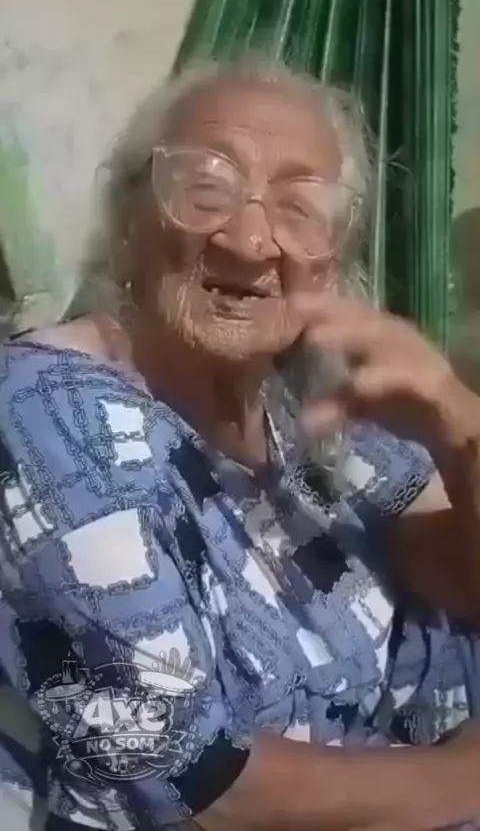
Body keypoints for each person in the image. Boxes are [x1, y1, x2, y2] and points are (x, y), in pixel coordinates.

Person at [0, 57, 480, 831]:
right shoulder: (51, 418)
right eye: (204, 191)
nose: (250, 241)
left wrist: (459, 423)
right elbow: (204, 787)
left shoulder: (307, 396)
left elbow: (461, 577)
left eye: (299, 207)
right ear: (129, 221)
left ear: (333, 255)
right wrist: (467, 778)